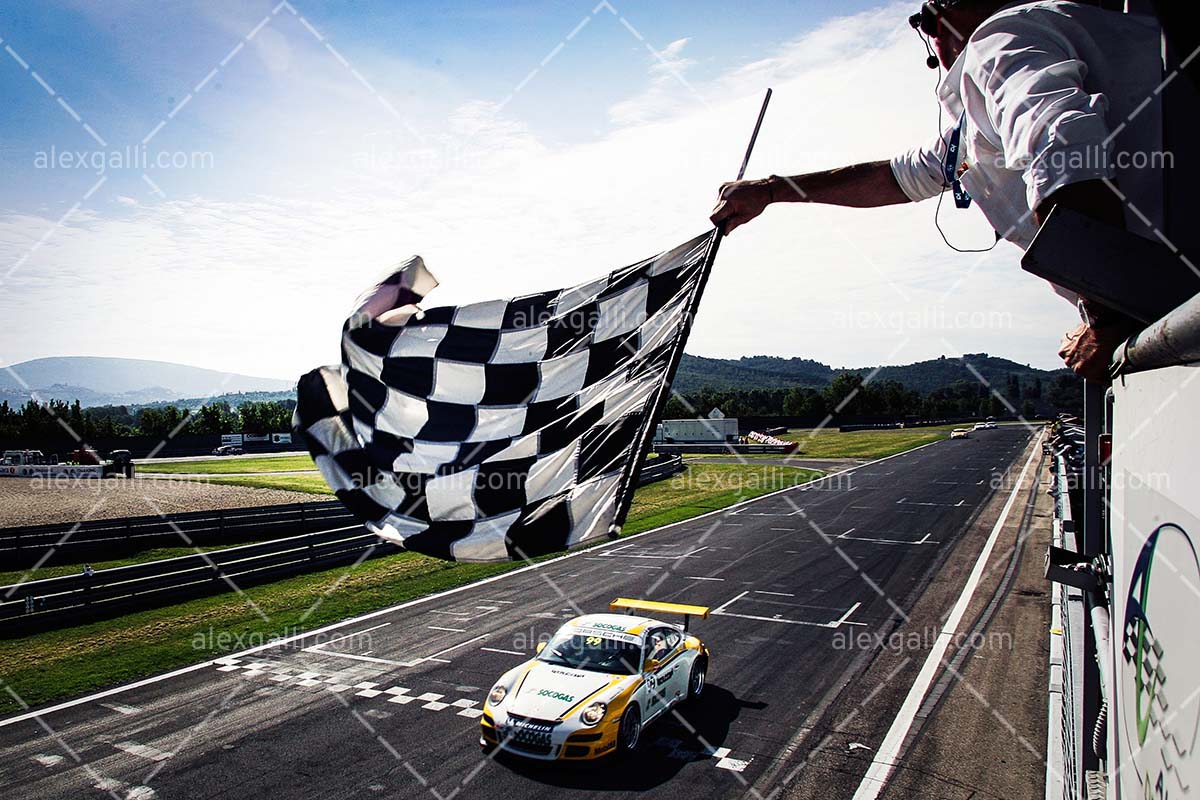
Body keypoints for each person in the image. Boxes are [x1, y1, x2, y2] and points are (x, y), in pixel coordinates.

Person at [711, 0, 1164, 381]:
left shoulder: (1002, 38)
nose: (933, 41)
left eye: (927, 21)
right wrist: (770, 191)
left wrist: (1107, 318)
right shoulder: (1007, 84)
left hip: (1164, 305)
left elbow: (1062, 144)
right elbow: (897, 176)